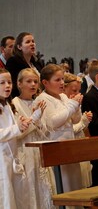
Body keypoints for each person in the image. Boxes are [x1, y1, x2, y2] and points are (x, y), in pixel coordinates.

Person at [34, 64, 84, 200]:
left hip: (69, 146)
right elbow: (53, 122)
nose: (62, 83)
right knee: (63, 185)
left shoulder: (63, 97)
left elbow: (75, 120)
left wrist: (77, 106)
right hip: (56, 148)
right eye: (57, 80)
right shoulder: (42, 99)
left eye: (62, 79)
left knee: (75, 185)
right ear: (45, 82)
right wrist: (72, 105)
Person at [12, 68, 56, 209]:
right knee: (29, 189)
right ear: (19, 84)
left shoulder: (38, 102)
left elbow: (45, 131)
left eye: (35, 82)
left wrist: (40, 121)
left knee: (44, 188)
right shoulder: (15, 104)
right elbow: (18, 134)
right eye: (28, 81)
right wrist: (34, 118)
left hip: (39, 152)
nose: (33, 85)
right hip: (25, 151)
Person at [0, 68, 31, 209]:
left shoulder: (7, 104)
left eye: (9, 82)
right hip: (2, 158)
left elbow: (14, 129)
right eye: (2, 83)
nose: (7, 86)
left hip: (12, 156)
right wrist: (16, 128)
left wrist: (21, 123)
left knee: (17, 195)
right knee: (6, 196)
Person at [64, 72, 93, 188]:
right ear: (64, 88)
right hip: (69, 145)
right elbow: (69, 129)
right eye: (74, 90)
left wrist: (85, 121)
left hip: (79, 141)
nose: (77, 94)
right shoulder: (64, 105)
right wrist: (83, 122)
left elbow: (80, 128)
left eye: (79, 91)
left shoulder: (75, 103)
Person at [6, 32, 41, 97]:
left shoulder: (36, 63)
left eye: (33, 41)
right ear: (19, 47)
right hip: (20, 98)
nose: (32, 44)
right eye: (28, 42)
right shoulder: (13, 61)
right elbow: (13, 85)